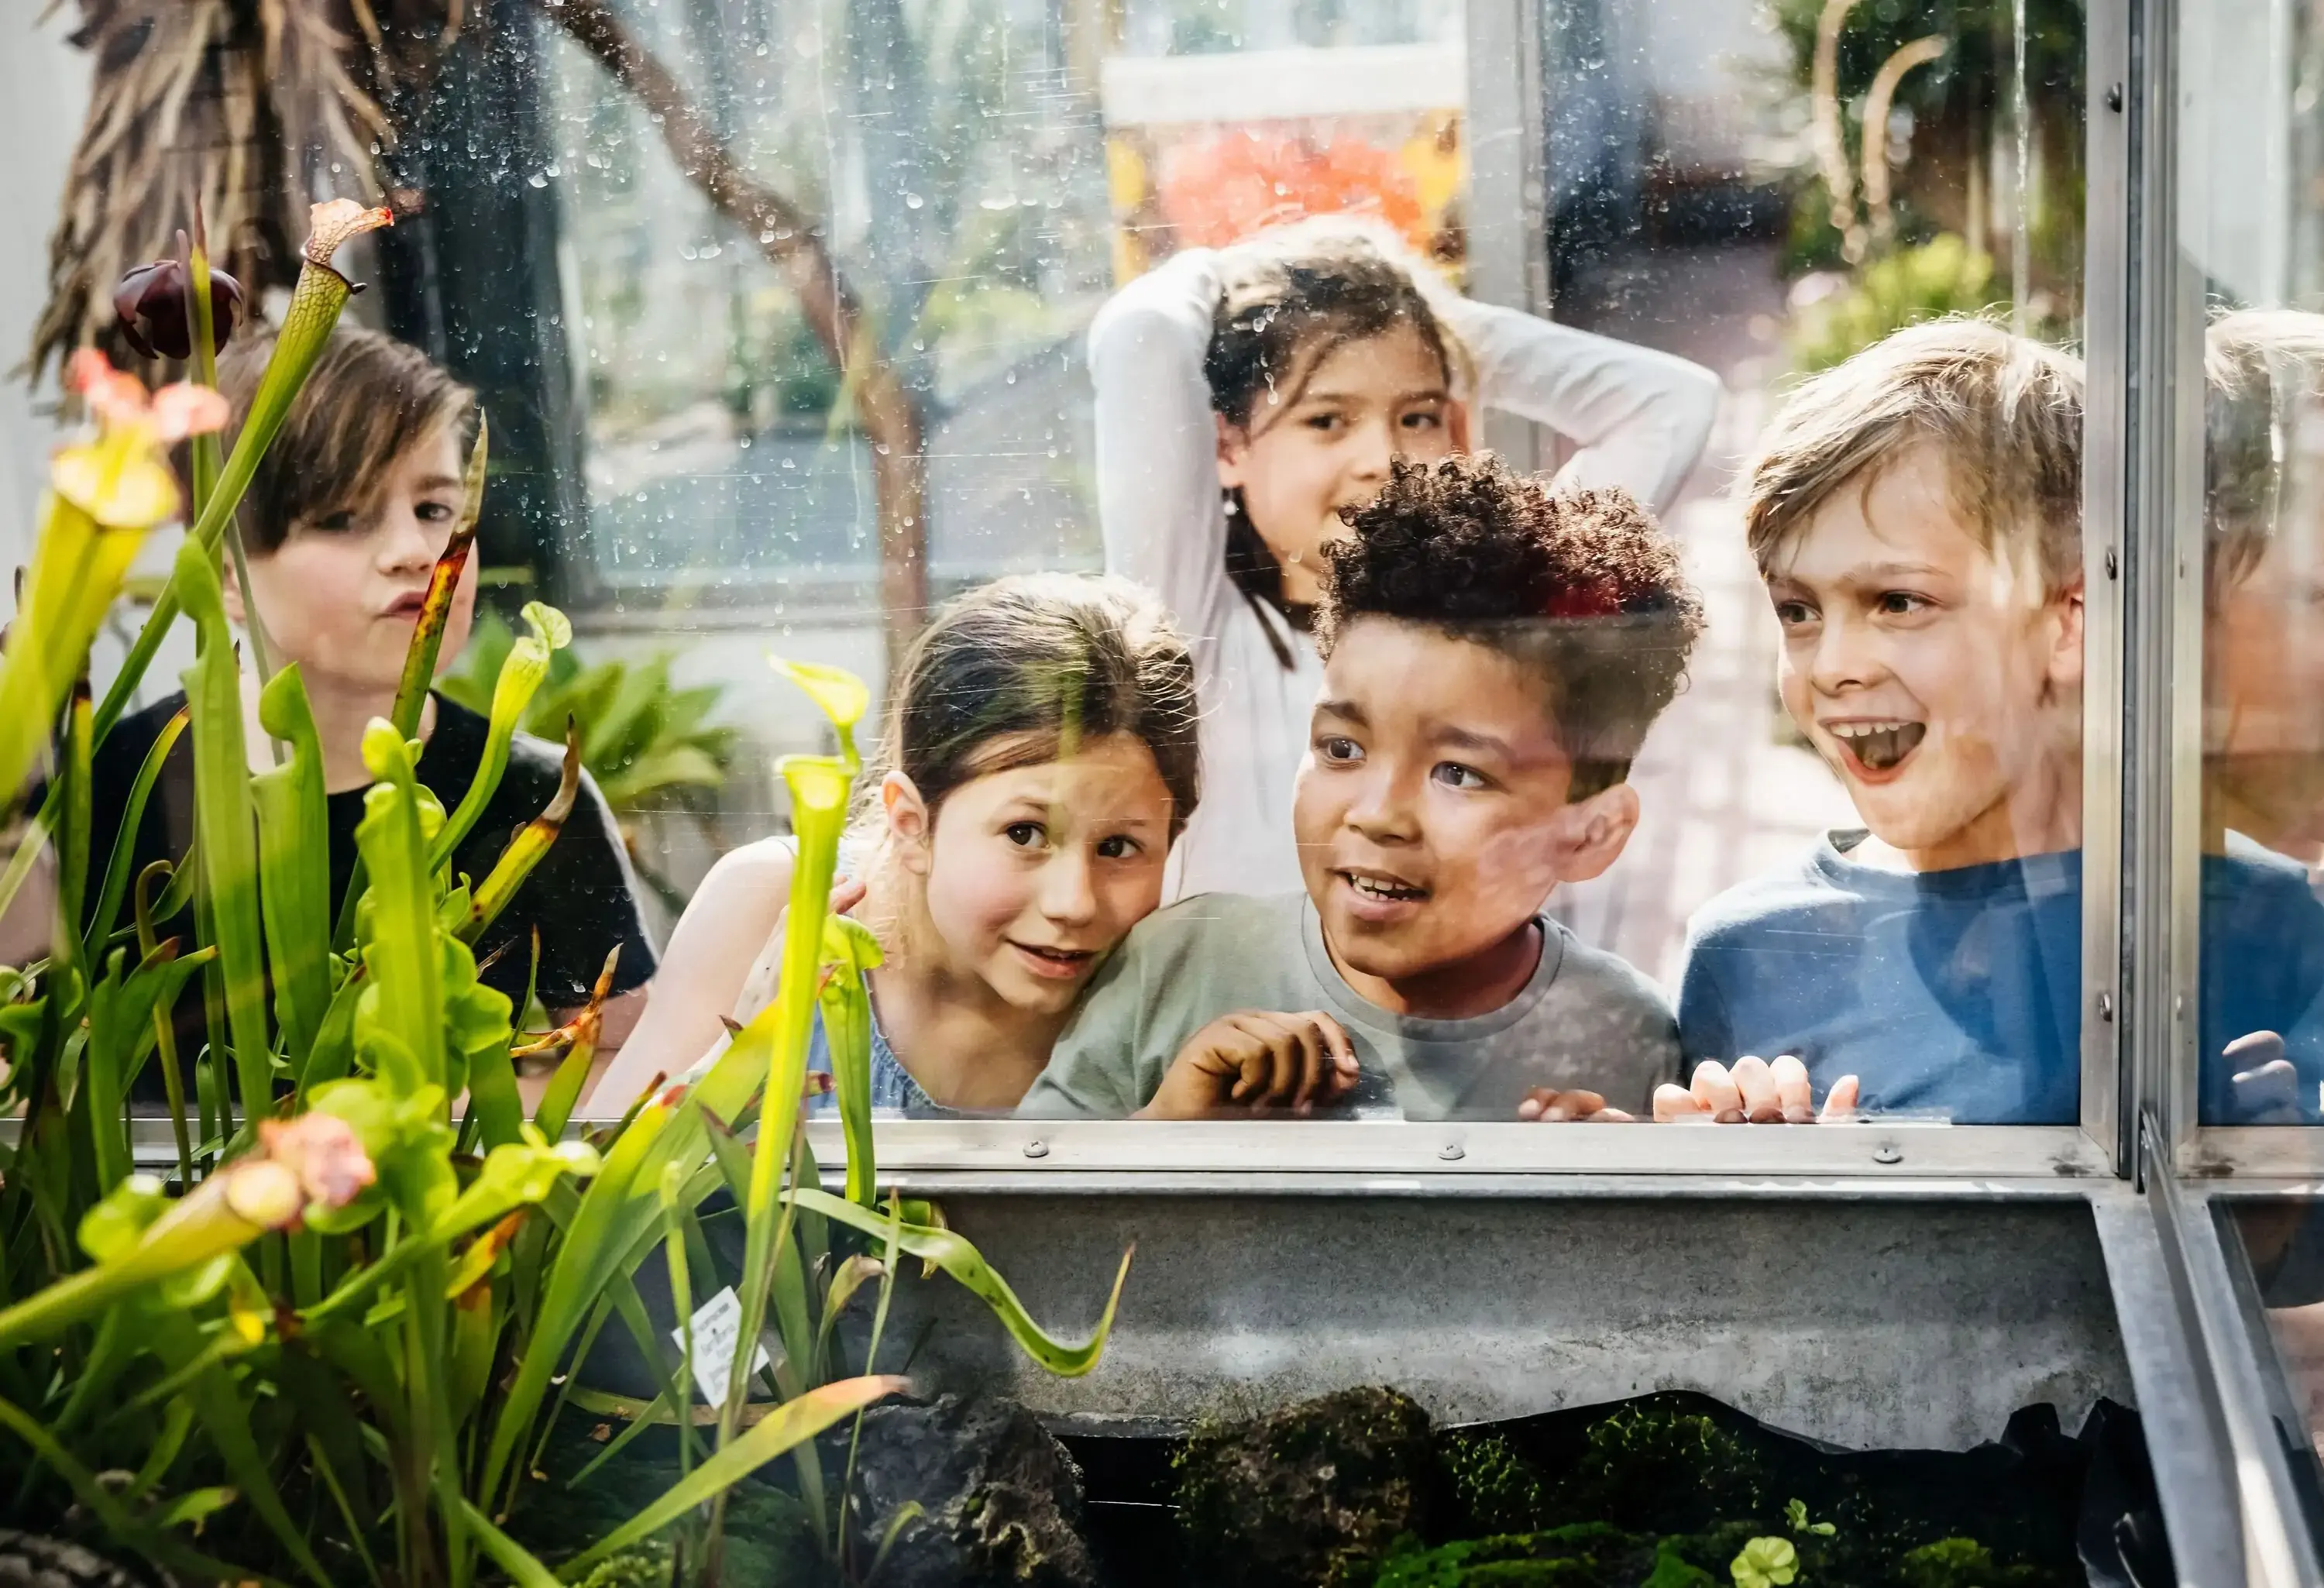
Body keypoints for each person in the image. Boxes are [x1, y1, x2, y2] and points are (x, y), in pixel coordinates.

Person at [1667, 317, 2324, 1127]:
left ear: (2070, 620)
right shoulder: (1743, 950)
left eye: (1898, 602)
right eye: (1798, 610)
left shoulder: (2273, 922)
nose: (1833, 662)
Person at [19, 324, 657, 1095]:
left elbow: (619, 1055)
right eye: (342, 518)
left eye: (434, 507)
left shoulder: (536, 795)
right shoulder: (110, 785)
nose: (415, 552)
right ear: (225, 571)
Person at [1023, 453, 1699, 1122]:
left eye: (1458, 773)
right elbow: (1021, 1223)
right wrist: (1170, 1131)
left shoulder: (1626, 1035)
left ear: (1591, 833)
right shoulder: (1173, 965)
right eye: (1341, 749)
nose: (1377, 816)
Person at [1089, 220, 1721, 901]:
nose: (1384, 461)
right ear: (1229, 447)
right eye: (1327, 420)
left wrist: (1424, 315)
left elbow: (1674, 403)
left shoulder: (1499, 618)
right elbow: (1144, 337)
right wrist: (1237, 266)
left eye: (1416, 418)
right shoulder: (1188, 629)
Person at [586, 572, 1201, 1119]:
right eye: (1025, 834)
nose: (1075, 904)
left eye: (1120, 847)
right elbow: (590, 1204)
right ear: (911, 822)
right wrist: (738, 1056)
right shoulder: (777, 903)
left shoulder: (1166, 981)